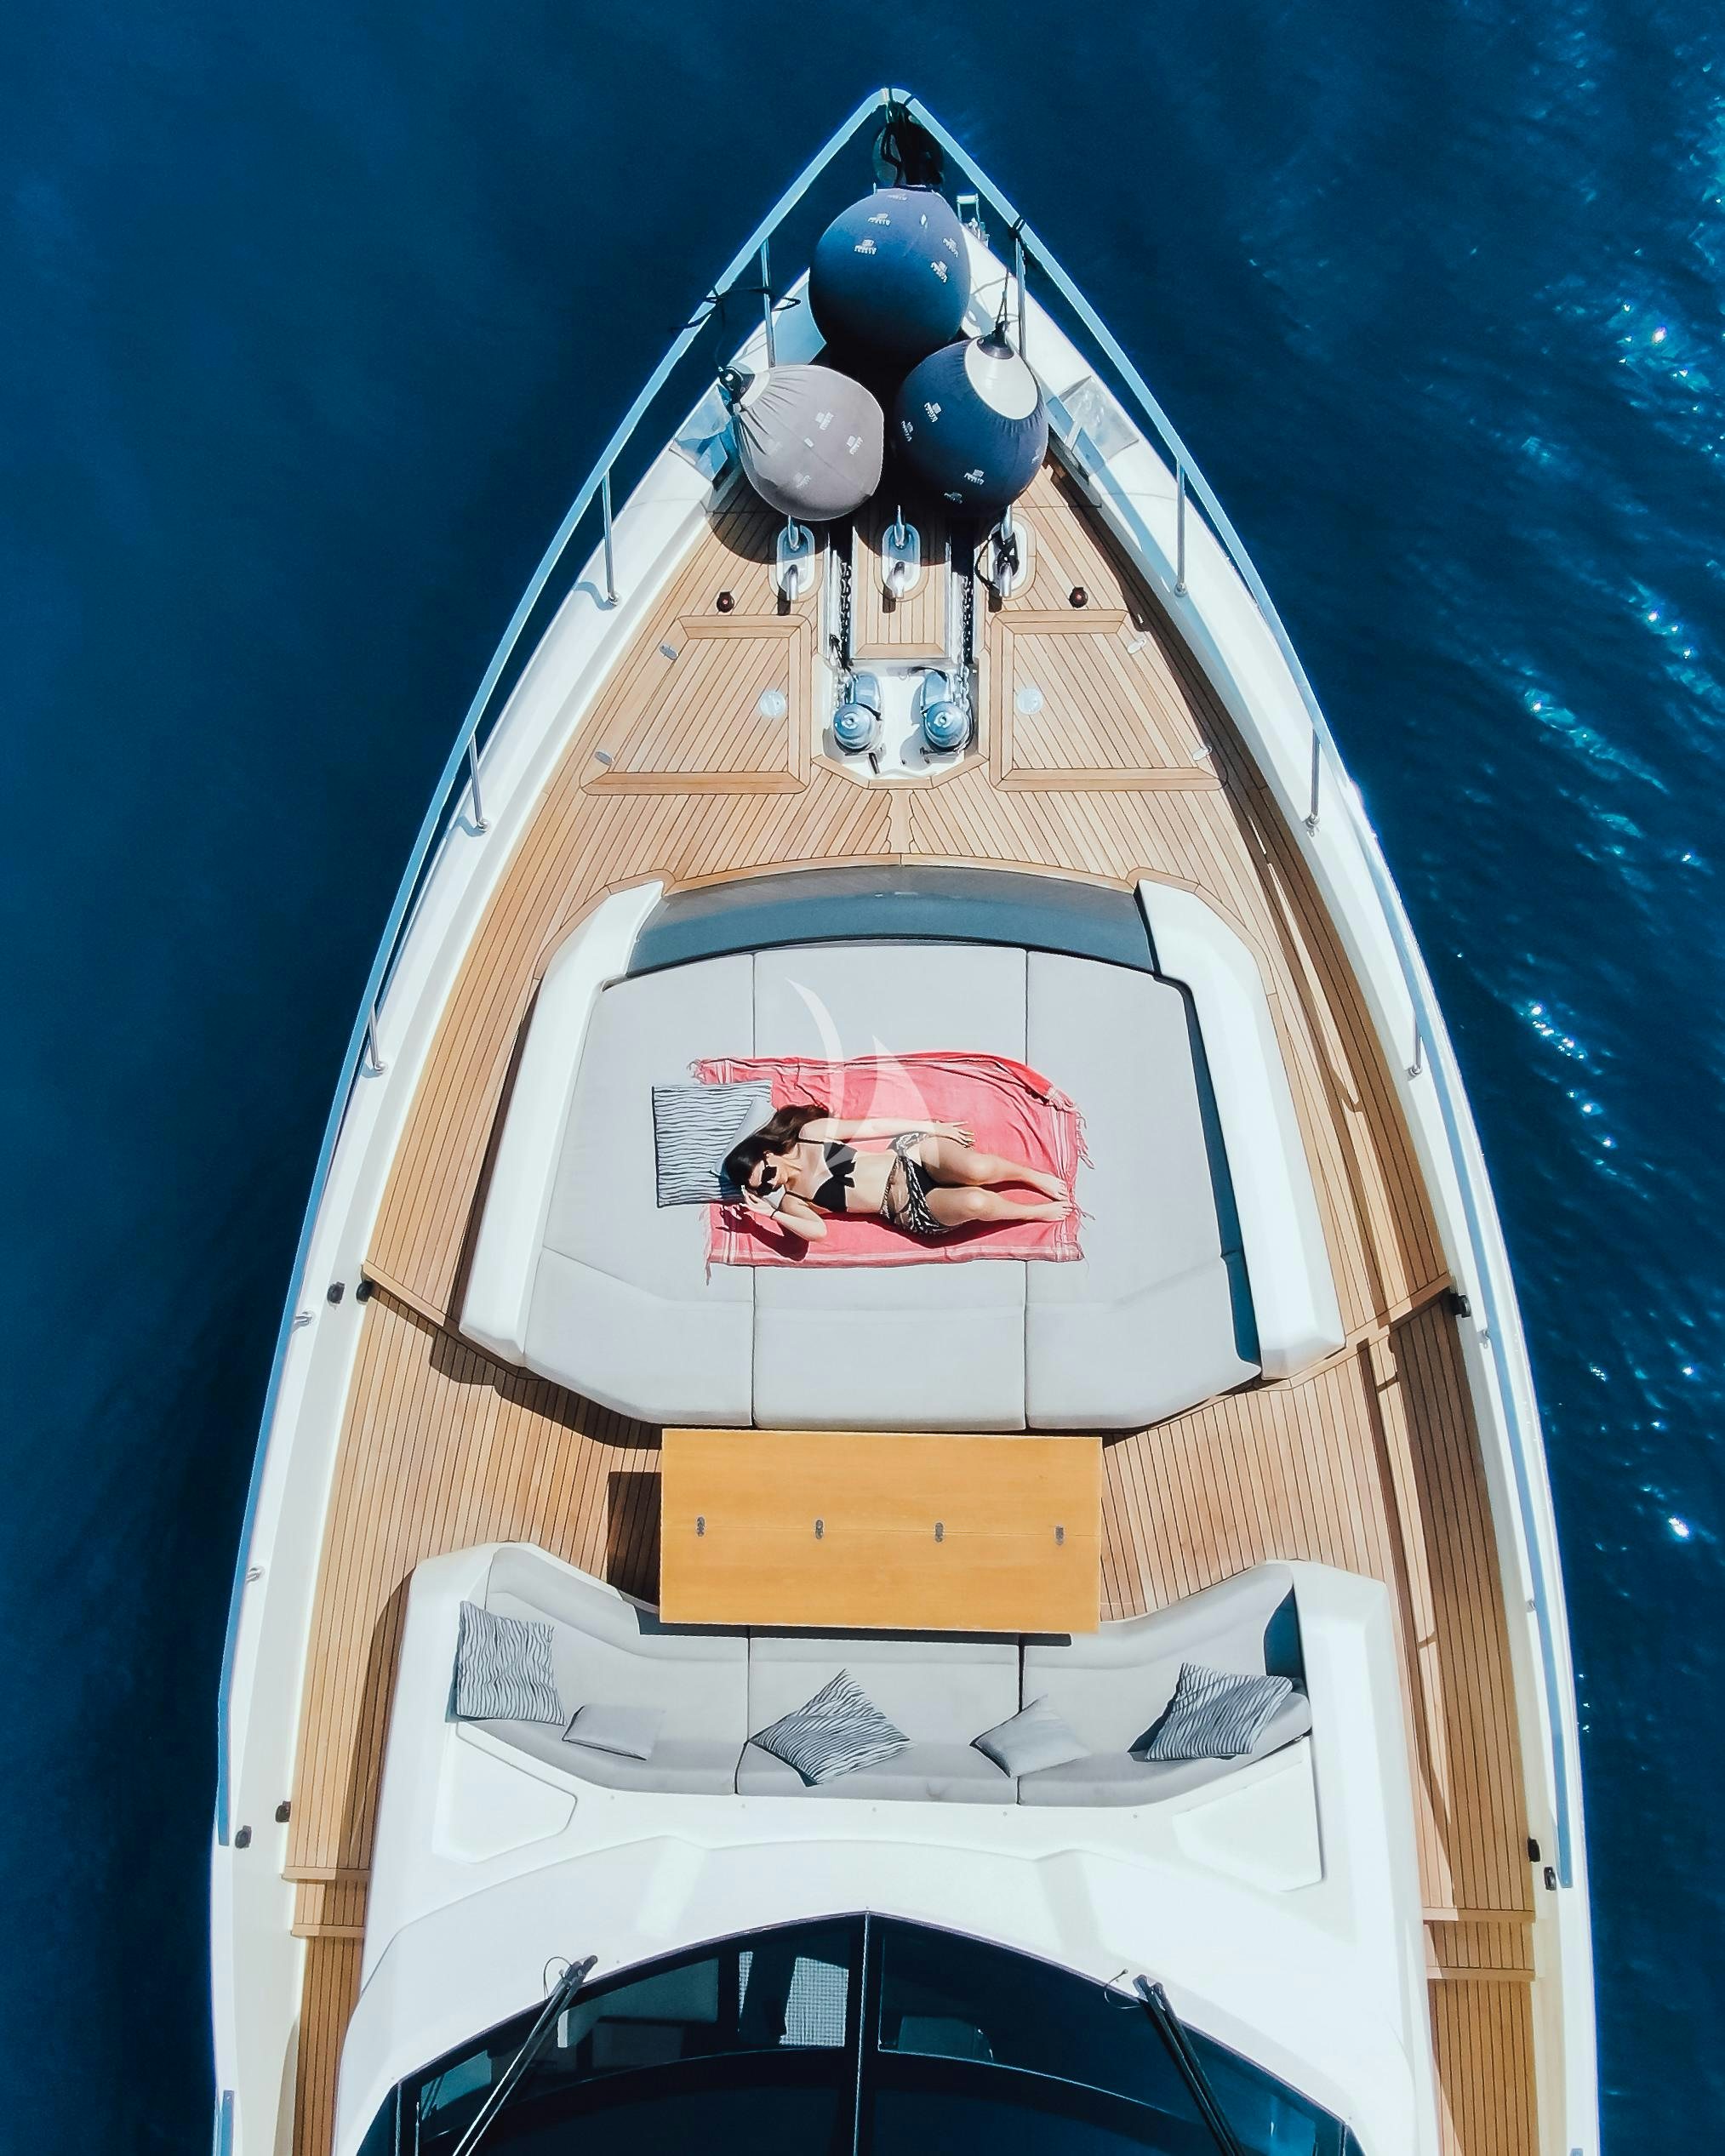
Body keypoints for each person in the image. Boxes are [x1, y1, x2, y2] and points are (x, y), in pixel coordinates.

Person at [721, 1104, 1071, 1243]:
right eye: (765, 1187)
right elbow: (817, 1234)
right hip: (908, 1206)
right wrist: (769, 1214)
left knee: (975, 1167)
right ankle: (1031, 1213)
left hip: (908, 1156)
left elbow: (874, 1126)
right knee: (976, 1201)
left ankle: (1029, 1176)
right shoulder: (795, 1202)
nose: (772, 1184)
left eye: (766, 1174)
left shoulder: (811, 1137)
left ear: (768, 1154)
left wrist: (932, 1126)